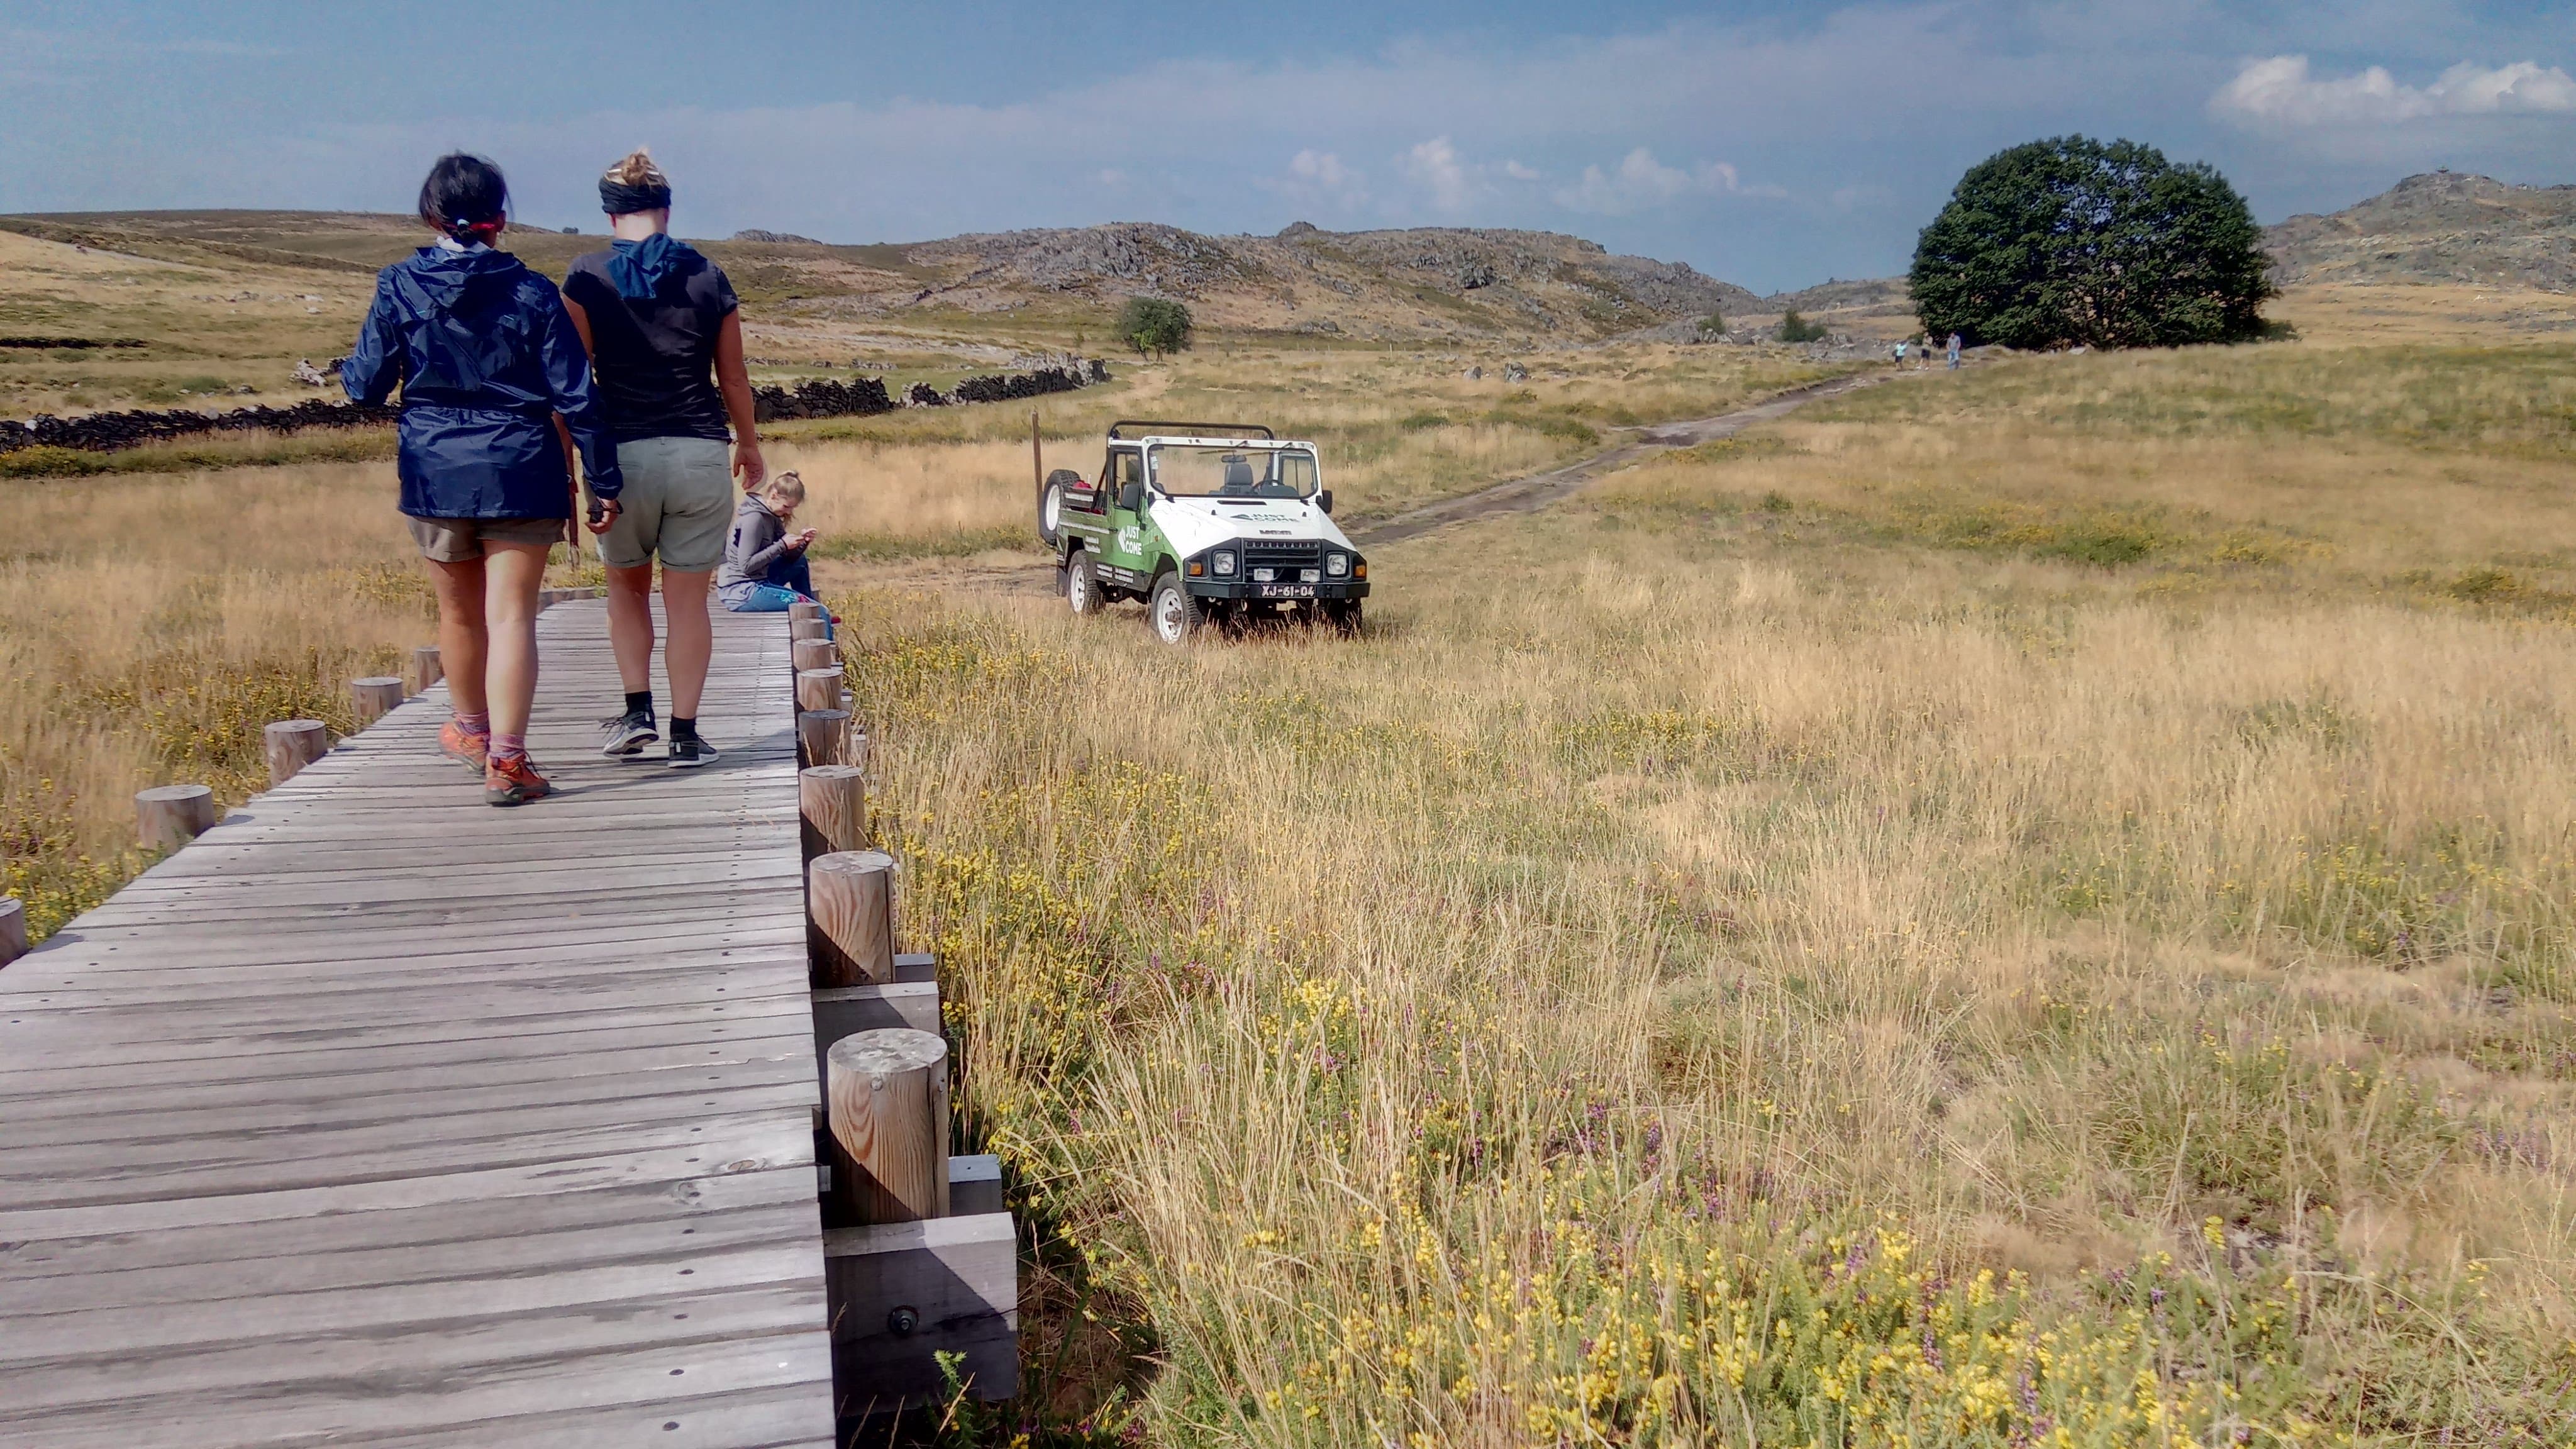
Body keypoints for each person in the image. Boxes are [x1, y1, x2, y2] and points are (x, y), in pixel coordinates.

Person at [343, 153, 622, 807]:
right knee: (512, 616)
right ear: (502, 219)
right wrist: (604, 481)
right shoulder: (533, 293)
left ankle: (471, 733)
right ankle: (509, 760)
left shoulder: (398, 285)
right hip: (520, 465)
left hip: (434, 469)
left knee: (458, 612)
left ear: (430, 214)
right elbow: (578, 396)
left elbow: (364, 386)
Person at [560, 150, 765, 769]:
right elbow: (733, 379)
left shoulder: (587, 276)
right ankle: (685, 731)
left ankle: (636, 711)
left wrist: (567, 461)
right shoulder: (708, 275)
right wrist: (750, 445)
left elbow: (573, 382)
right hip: (700, 451)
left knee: (626, 592)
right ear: (667, 212)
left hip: (621, 456)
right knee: (688, 602)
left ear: (609, 215)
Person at [718, 470, 824, 613]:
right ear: (774, 496)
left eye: (793, 508)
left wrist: (803, 541)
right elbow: (747, 566)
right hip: (741, 592)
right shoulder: (754, 519)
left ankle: (812, 608)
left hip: (758, 581)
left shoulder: (772, 516)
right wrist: (782, 545)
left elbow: (789, 557)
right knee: (816, 610)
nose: (788, 512)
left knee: (800, 564)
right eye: (787, 507)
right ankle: (817, 614)